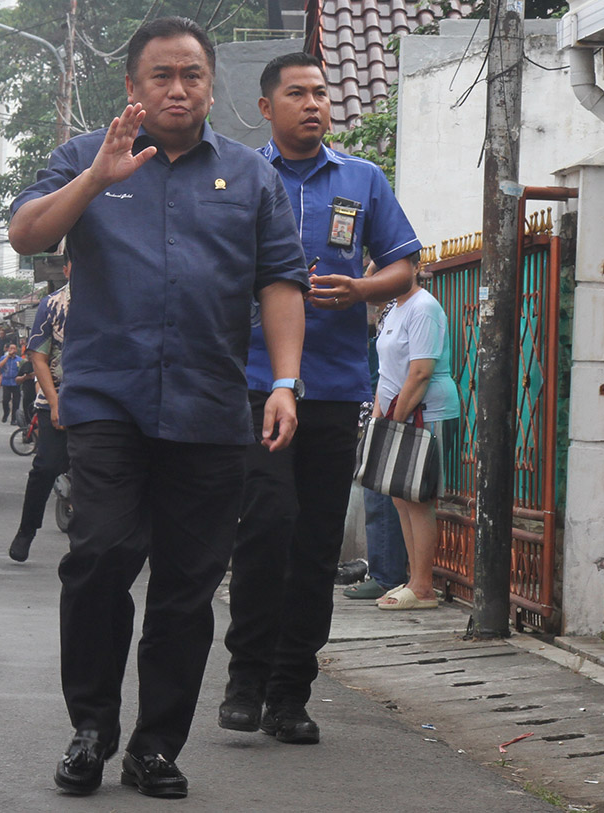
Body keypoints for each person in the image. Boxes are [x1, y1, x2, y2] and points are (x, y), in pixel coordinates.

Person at [9, 16, 309, 800]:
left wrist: (284, 381)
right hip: (108, 401)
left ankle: (154, 744)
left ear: (213, 86)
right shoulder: (85, 156)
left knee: (186, 583)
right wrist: (95, 181)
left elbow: (279, 281)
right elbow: (24, 234)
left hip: (211, 410)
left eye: (192, 76)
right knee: (100, 556)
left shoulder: (252, 177)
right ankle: (91, 728)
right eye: (161, 77)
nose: (178, 90)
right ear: (133, 87)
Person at [218, 51, 422, 745]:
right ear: (266, 108)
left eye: (322, 92)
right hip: (250, 383)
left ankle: (289, 692)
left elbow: (405, 262)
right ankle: (245, 675)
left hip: (335, 385)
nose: (314, 103)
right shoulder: (238, 175)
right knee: (267, 522)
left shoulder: (361, 179)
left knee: (314, 544)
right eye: (298, 94)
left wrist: (363, 289)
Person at [374, 267, 461, 610]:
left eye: (390, 268)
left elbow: (421, 371)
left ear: (412, 268)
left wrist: (395, 420)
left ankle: (424, 586)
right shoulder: (394, 308)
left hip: (426, 412)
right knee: (400, 495)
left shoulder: (423, 307)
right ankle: (414, 580)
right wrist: (381, 418)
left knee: (418, 498)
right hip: (401, 412)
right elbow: (387, 371)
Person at [344, 292, 409, 600]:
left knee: (381, 492)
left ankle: (386, 575)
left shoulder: (411, 311)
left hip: (387, 408)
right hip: (375, 406)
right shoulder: (387, 315)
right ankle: (381, 570)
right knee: (374, 490)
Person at [8, 262, 72, 563]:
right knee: (46, 466)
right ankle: (26, 530)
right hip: (55, 399)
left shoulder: (118, 300)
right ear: (68, 268)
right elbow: (39, 357)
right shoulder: (53, 304)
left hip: (104, 401)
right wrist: (56, 402)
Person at [0, 343, 22, 424]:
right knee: (5, 400)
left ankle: (14, 419)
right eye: (11, 348)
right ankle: (6, 412)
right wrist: (8, 356)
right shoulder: (3, 358)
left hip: (16, 383)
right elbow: (0, 365)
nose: (12, 350)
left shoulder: (19, 360)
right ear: (8, 349)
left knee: (16, 401)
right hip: (6, 382)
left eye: (14, 348)